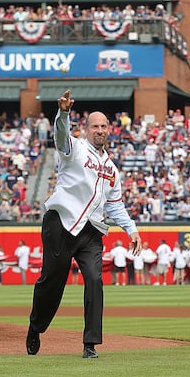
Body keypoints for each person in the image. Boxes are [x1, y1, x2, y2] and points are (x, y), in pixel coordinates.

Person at [27, 90, 142, 359]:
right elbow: (60, 136)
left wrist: (132, 229)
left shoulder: (112, 168)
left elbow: (114, 205)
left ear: (108, 130)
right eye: (95, 126)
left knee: (94, 279)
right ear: (87, 130)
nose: (99, 130)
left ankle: (90, 344)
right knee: (52, 281)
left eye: (103, 126)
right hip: (61, 222)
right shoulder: (74, 148)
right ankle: (36, 327)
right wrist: (64, 113)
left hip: (91, 230)